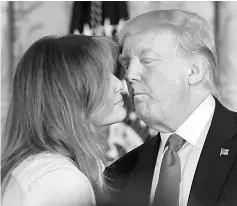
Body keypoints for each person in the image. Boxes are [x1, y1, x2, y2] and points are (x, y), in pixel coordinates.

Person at [103, 10, 237, 206]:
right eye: (125, 64)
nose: (129, 75)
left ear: (194, 70)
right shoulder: (119, 175)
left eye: (147, 61)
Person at [1, 34, 127, 206]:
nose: (120, 85)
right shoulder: (61, 181)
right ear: (68, 95)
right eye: (104, 78)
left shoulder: (44, 170)